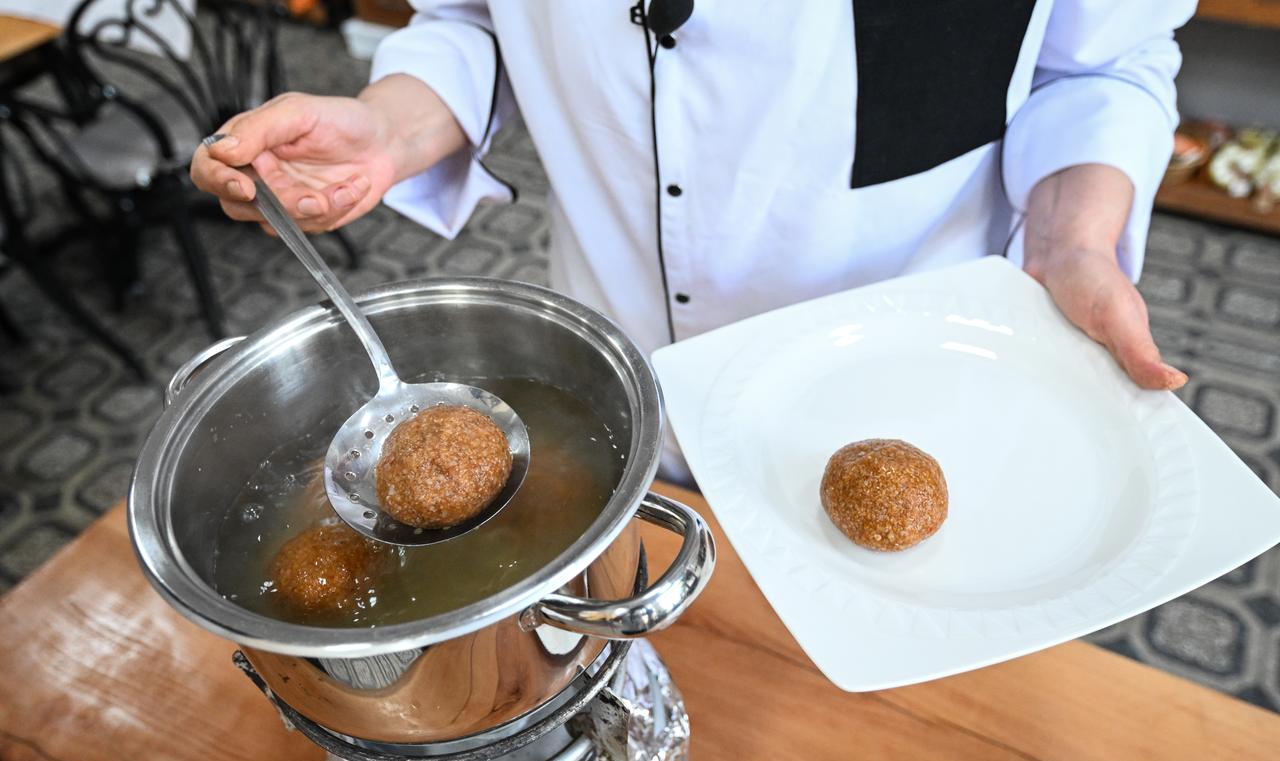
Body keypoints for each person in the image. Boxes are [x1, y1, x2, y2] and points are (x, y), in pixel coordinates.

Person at [192, 0, 1196, 480]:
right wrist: (391, 126)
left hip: (901, 383)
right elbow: (477, 18)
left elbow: (1100, 62)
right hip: (611, 377)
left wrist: (1074, 240)